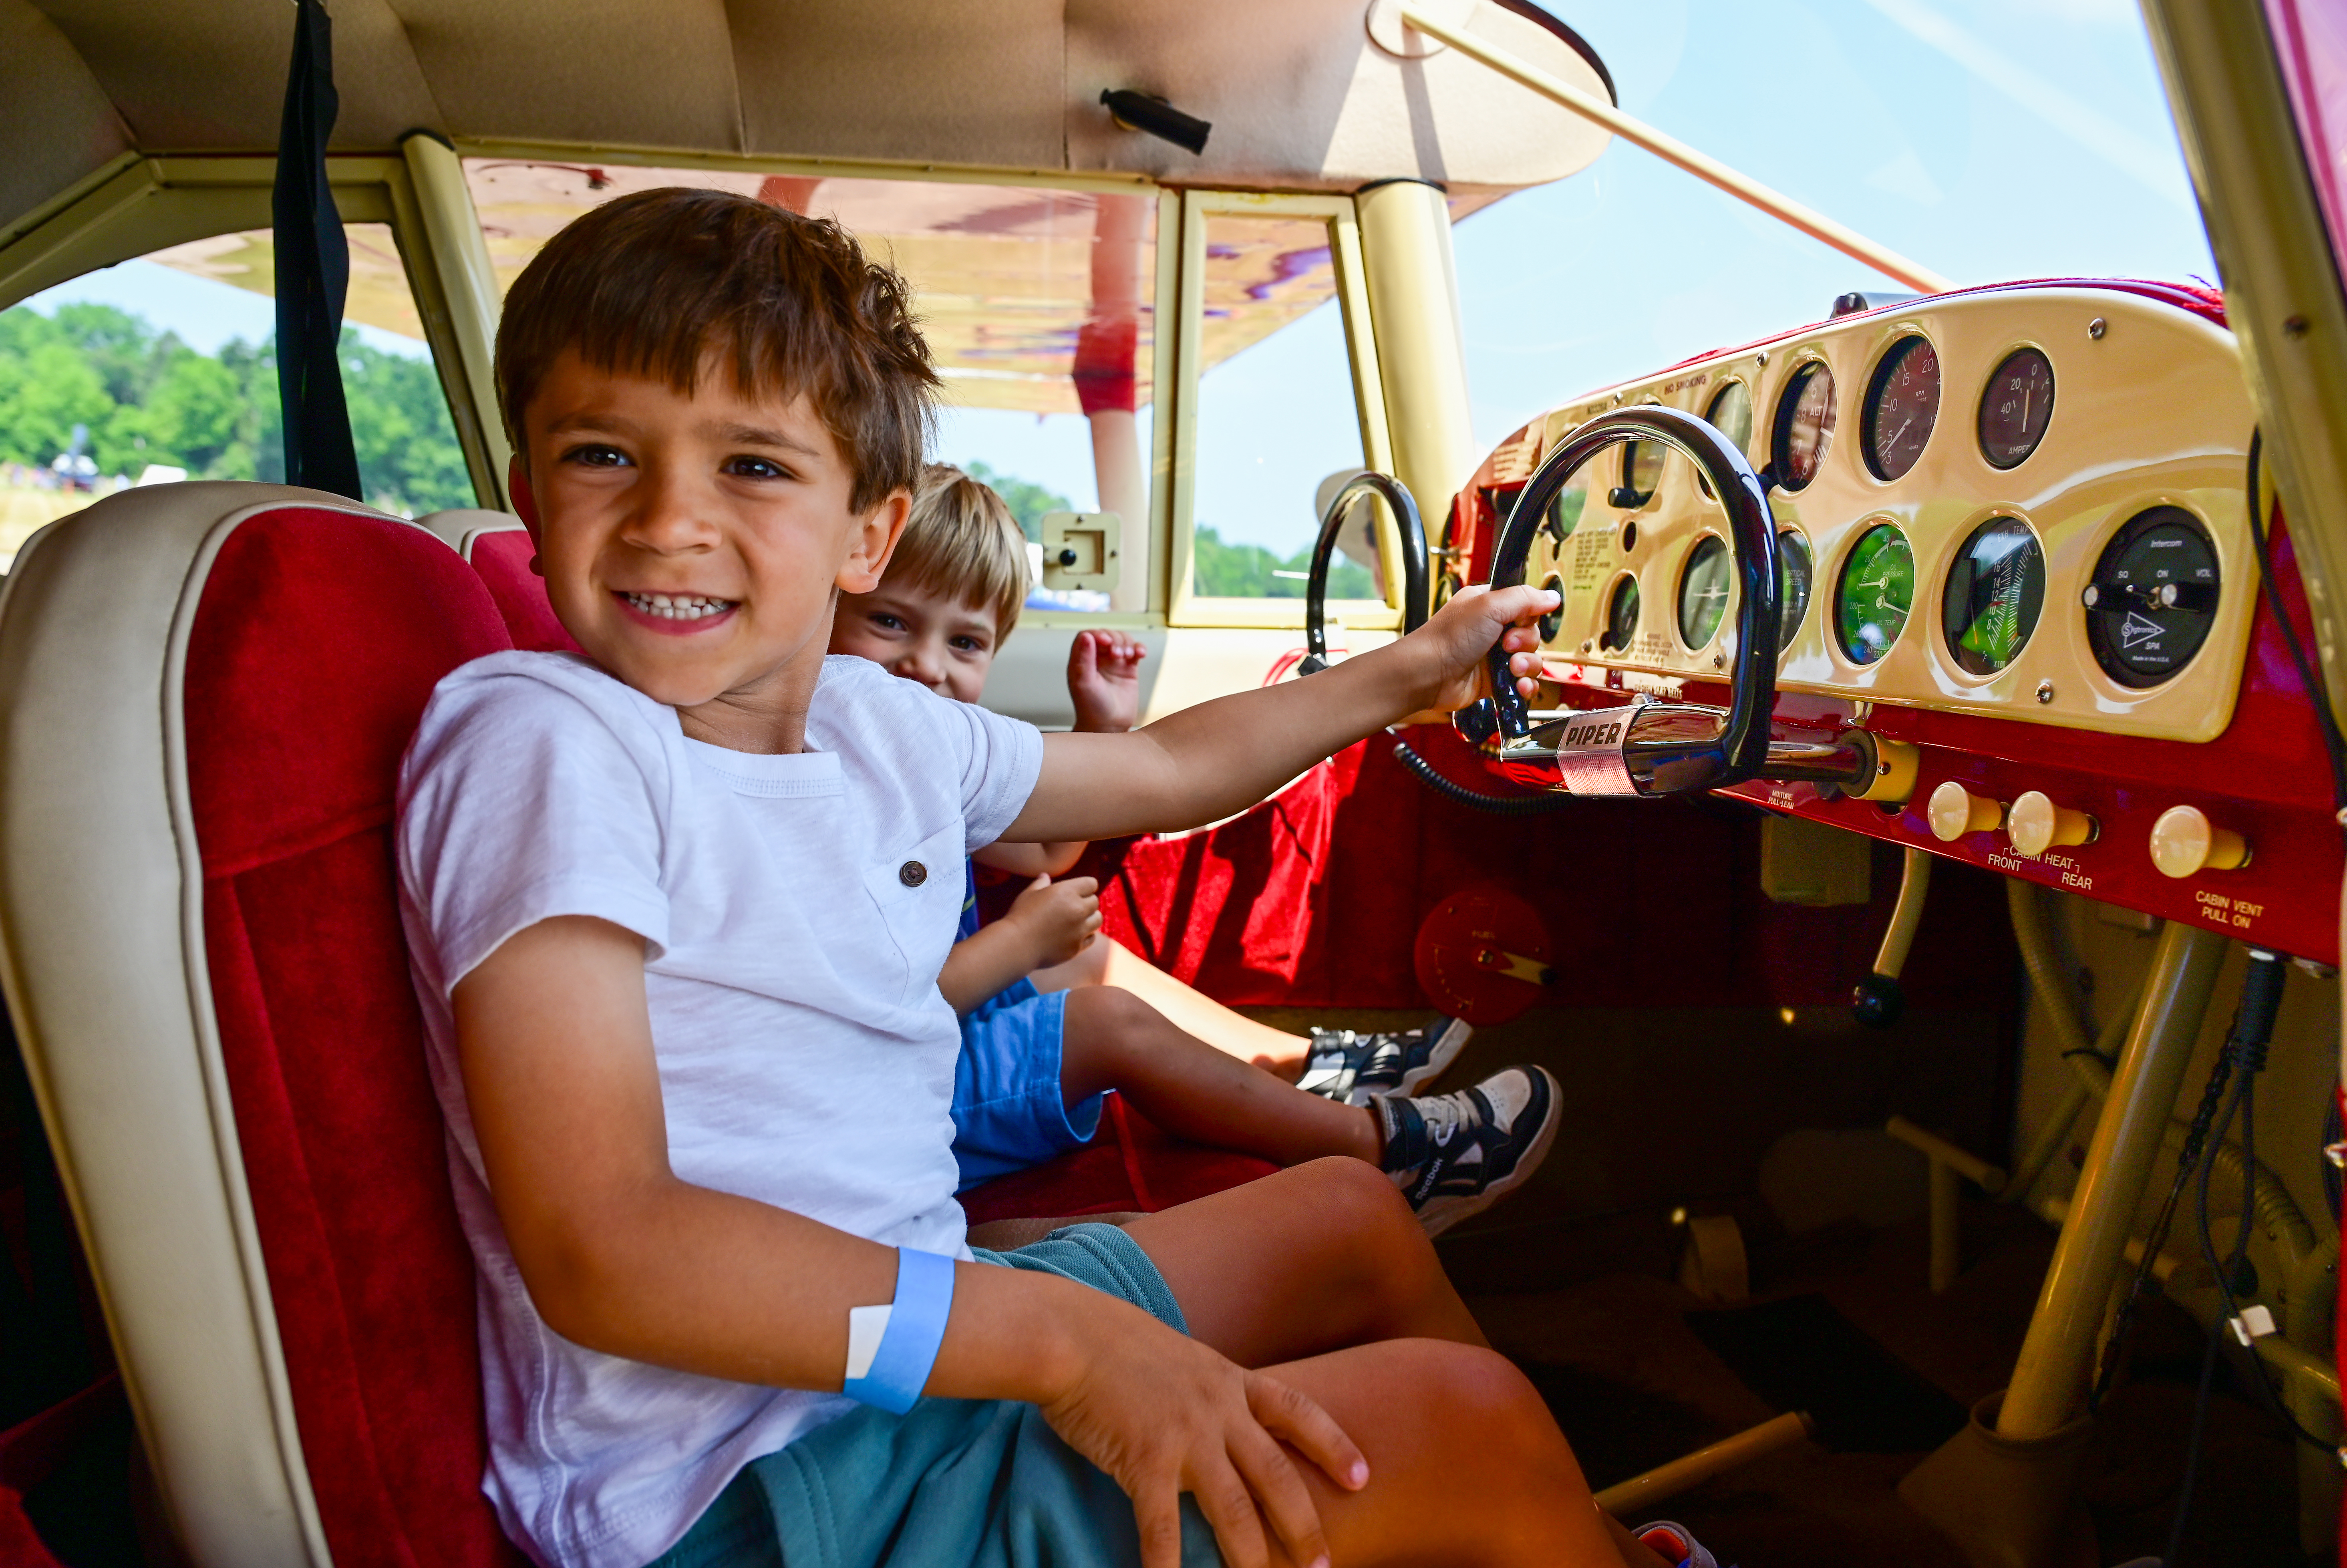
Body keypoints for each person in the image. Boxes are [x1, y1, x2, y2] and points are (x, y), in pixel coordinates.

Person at [398, 187, 1705, 1568]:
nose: (669, 520)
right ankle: (1517, 1514)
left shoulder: (873, 725)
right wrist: (1066, 1345)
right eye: (604, 453)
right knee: (1473, 1420)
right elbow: (610, 1249)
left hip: (900, 1350)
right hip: (748, 1485)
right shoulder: (546, 744)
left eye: (752, 467)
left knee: (1351, 1218)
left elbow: (1163, 775)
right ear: (533, 493)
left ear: (864, 534)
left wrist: (1410, 673)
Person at [828, 463, 1556, 1234]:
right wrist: (1015, 944)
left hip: (924, 1040)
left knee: (1084, 957)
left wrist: (1102, 728)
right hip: (883, 1086)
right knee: (1102, 1021)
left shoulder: (926, 758)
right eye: (889, 624)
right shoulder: (830, 796)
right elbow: (879, 1014)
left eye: (964, 642)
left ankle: (1313, 1071)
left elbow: (1045, 854)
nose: (925, 666)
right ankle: (1387, 1154)